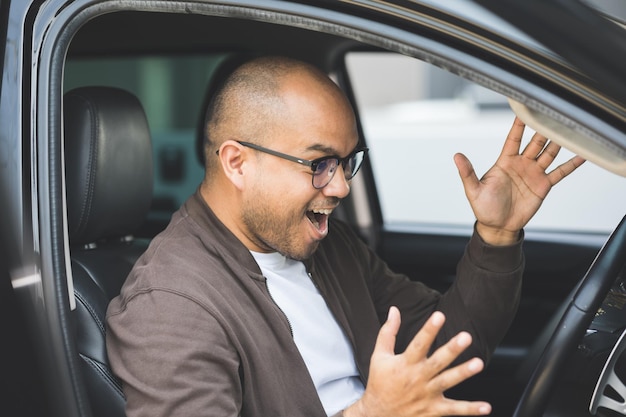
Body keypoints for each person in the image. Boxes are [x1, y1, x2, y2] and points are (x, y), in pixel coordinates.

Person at [105, 55, 584, 417]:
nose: (340, 186)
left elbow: (450, 349)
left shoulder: (325, 245)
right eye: (319, 164)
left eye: (347, 161)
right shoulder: (168, 305)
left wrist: (497, 233)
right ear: (237, 163)